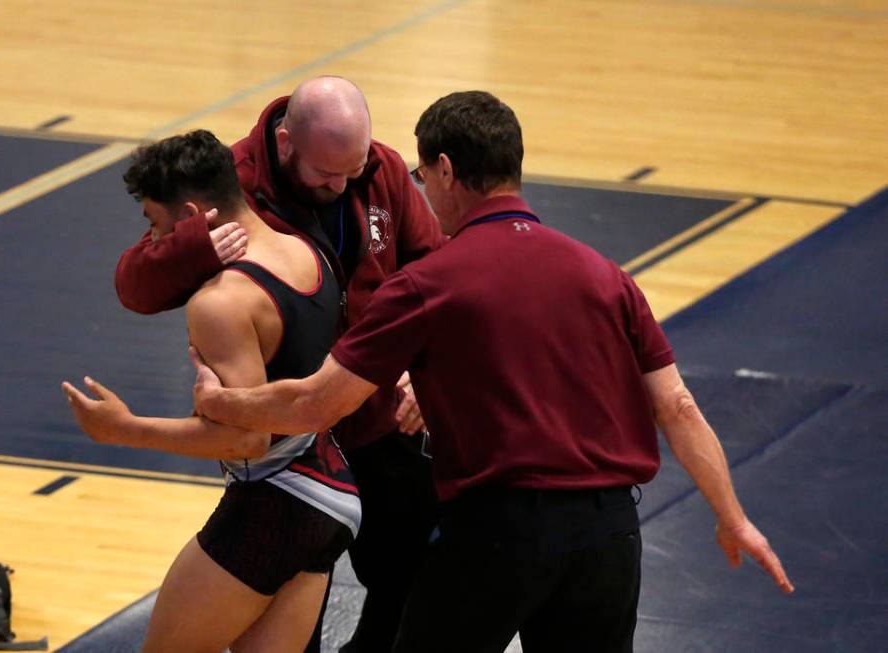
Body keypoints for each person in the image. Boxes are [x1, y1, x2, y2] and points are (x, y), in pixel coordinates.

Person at [186, 91, 795, 653]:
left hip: (499, 532)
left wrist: (222, 404)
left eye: (423, 178)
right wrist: (733, 517)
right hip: (610, 538)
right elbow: (680, 407)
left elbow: (317, 405)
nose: (421, 193)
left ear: (446, 170)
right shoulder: (606, 274)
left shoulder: (427, 284)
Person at [113, 76, 444, 652]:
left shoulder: (382, 169)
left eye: (353, 167)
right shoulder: (229, 187)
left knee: (409, 581)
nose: (342, 185)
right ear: (287, 142)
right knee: (292, 621)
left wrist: (425, 367)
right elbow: (135, 287)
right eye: (325, 173)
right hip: (293, 453)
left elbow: (438, 273)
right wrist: (193, 247)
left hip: (375, 423)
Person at [61, 129, 359, 653]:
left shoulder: (221, 301)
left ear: (193, 216)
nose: (153, 244)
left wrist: (124, 429)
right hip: (333, 497)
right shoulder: (307, 252)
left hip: (277, 499)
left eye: (155, 226)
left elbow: (246, 441)